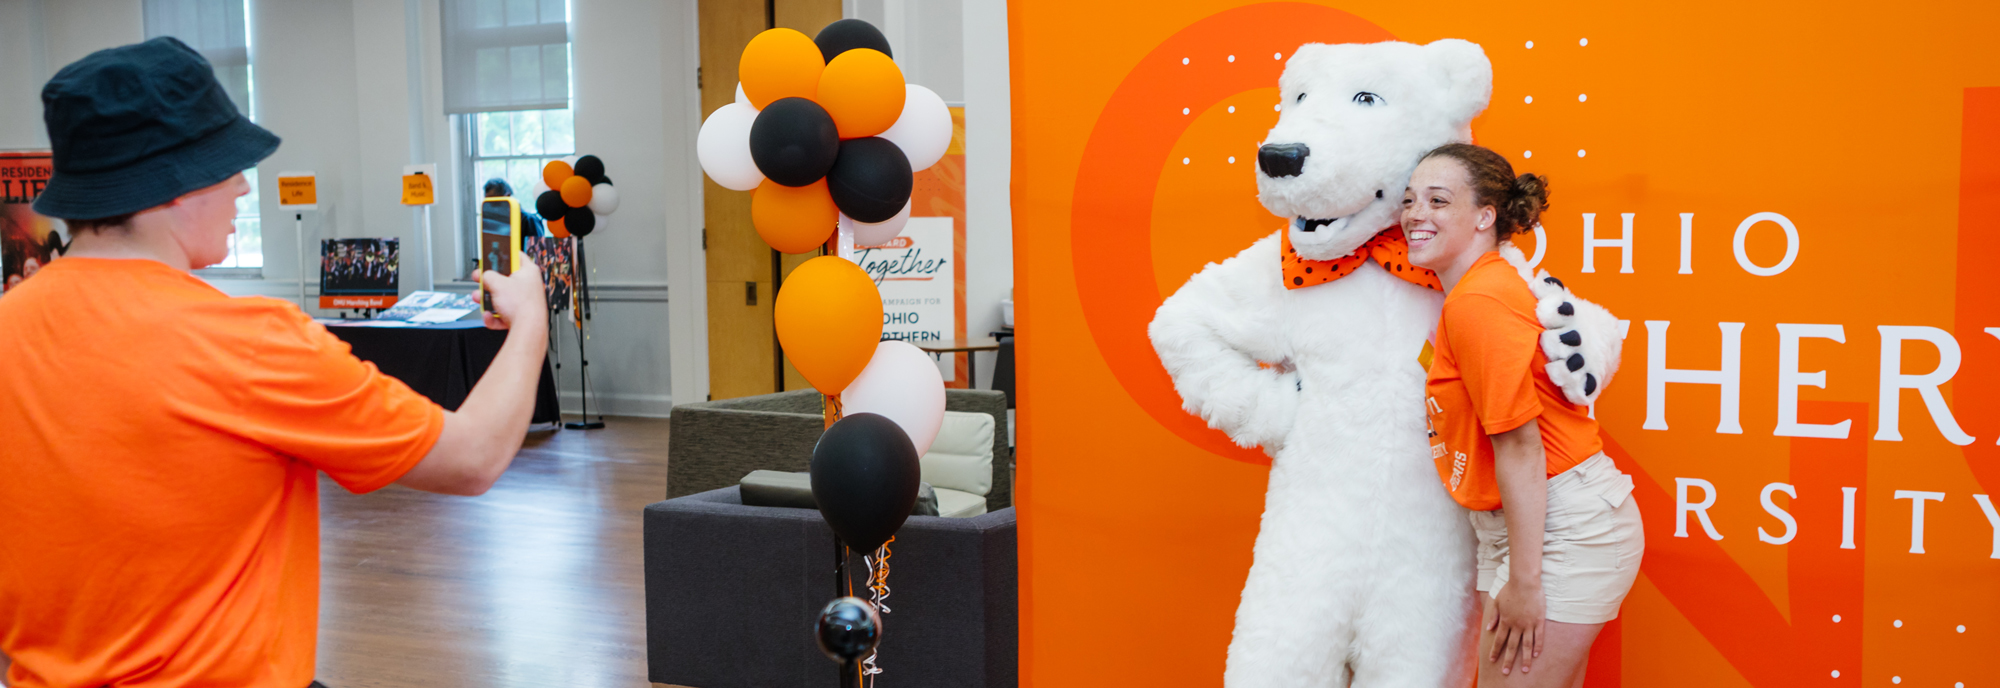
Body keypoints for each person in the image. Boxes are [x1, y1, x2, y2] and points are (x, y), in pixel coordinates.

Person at [0, 38, 547, 687]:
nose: (239, 185)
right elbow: (472, 456)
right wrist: (531, 319)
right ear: (172, 183)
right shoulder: (248, 338)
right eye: (225, 165)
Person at [1403, 143, 1644, 686]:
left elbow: (1519, 444)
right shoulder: (1479, 292)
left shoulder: (1478, 302)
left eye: (1439, 200)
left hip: (1562, 526)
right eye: (1410, 199)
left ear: (1486, 216)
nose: (1416, 214)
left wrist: (1527, 581)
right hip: (1526, 525)